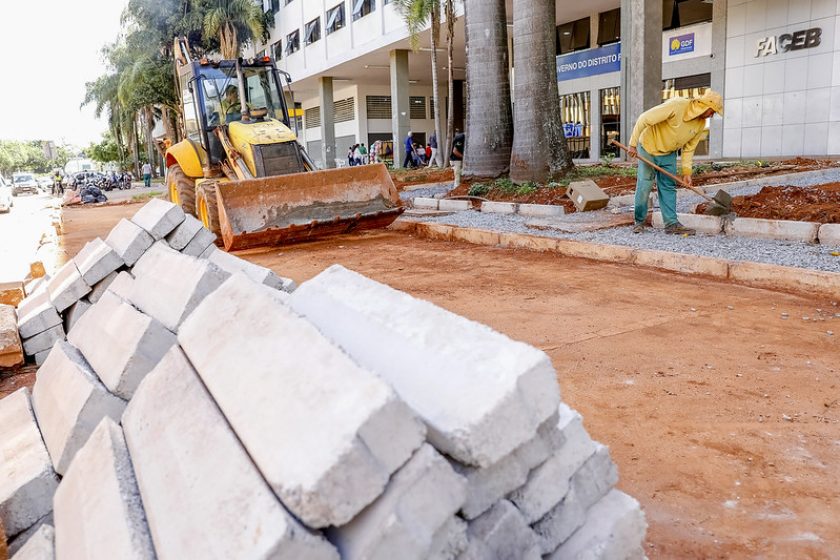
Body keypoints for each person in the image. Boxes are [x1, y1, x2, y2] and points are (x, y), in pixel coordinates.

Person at [627, 90, 724, 236]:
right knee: (644, 186)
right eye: (712, 111)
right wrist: (633, 144)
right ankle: (639, 222)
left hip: (669, 154)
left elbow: (688, 150)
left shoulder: (700, 124)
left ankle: (671, 224)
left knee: (668, 186)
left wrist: (687, 173)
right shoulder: (677, 106)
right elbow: (644, 119)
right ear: (705, 106)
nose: (712, 115)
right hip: (648, 148)